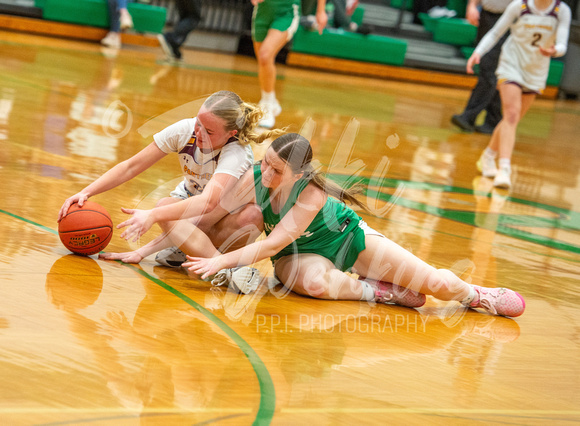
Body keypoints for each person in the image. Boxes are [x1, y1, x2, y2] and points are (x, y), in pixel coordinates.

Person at [117, 133, 526, 317]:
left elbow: (268, 245)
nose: (265, 171)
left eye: (275, 169)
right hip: (302, 256)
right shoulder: (256, 177)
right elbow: (199, 217)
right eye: (264, 162)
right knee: (313, 285)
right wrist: (143, 250)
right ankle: (378, 293)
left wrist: (220, 264)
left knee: (435, 285)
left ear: (297, 174)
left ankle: (475, 294)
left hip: (350, 241)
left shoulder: (311, 195)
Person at [58, 91, 284, 268]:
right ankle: (198, 254)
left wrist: (152, 221)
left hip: (223, 218)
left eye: (209, 131)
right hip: (191, 210)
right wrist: (86, 192)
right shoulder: (184, 130)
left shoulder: (237, 152)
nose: (198, 132)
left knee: (252, 216)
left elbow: (208, 203)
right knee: (168, 206)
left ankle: (223, 266)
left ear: (230, 134)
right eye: (198, 122)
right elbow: (131, 166)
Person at [467, 0, 571, 188]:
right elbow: (495, 32)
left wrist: (555, 50)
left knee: (511, 120)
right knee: (512, 115)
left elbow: (563, 43)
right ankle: (505, 169)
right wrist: (478, 52)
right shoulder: (519, 6)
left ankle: (488, 155)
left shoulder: (561, 11)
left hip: (536, 70)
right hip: (511, 64)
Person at [251, 0, 328, 129]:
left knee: (265, 55)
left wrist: (320, 11)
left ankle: (267, 106)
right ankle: (270, 100)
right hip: (262, 11)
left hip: (286, 11)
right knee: (263, 61)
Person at [451, 0, 512, 134]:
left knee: (489, 68)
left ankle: (468, 117)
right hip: (486, 16)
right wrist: (472, 6)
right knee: (490, 68)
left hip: (507, 20)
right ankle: (493, 120)